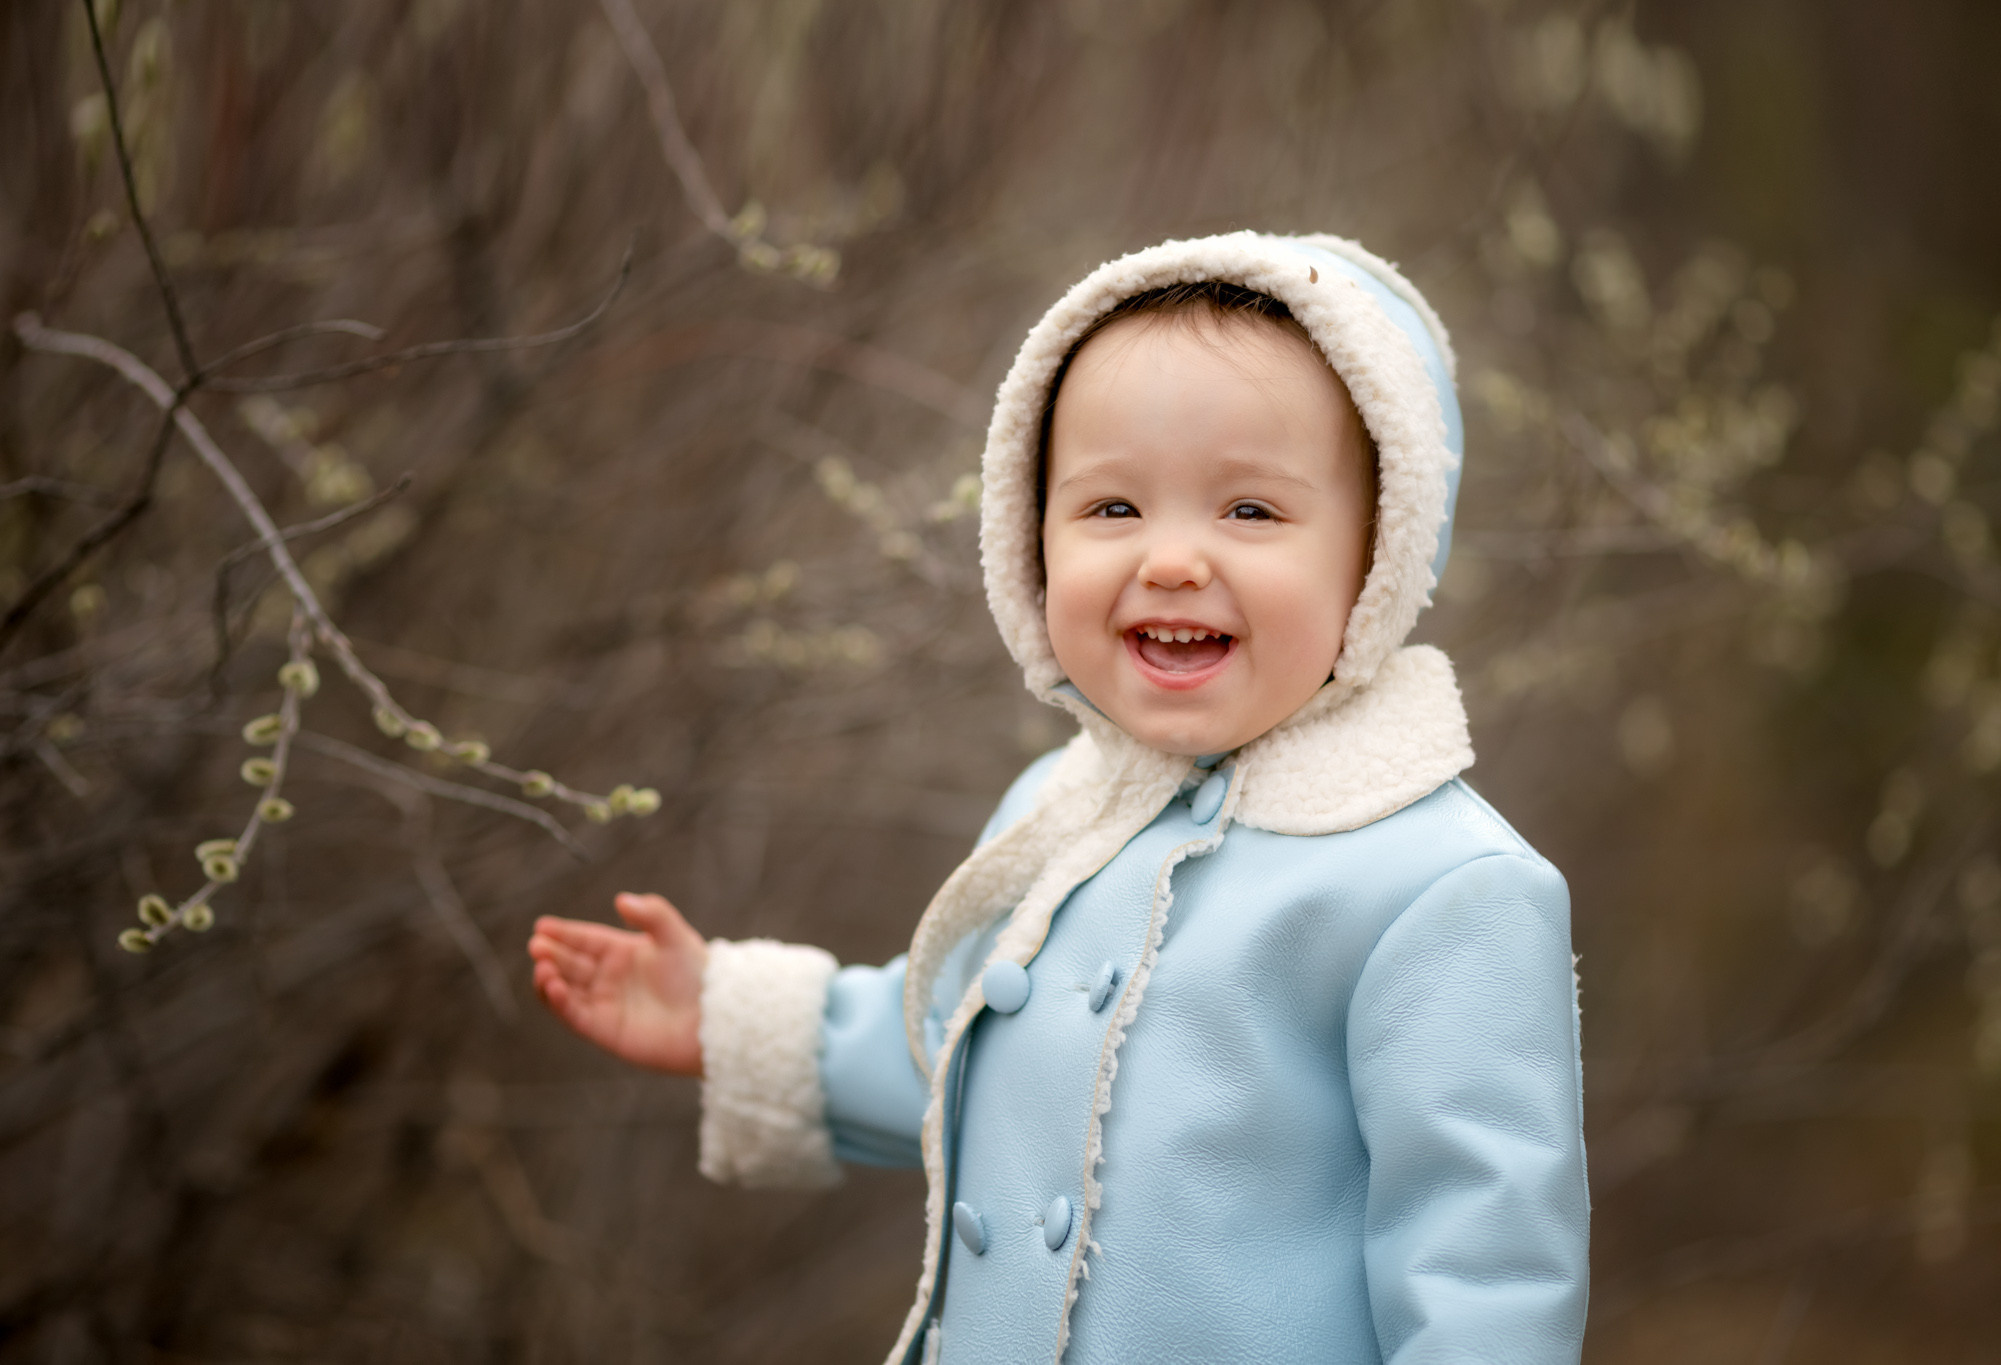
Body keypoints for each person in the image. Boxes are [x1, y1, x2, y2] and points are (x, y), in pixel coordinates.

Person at [529, 232, 1590, 1364]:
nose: (1171, 560)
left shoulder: (1438, 887)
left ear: (1380, 558)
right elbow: (970, 1070)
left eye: (1249, 512)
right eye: (1112, 509)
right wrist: (729, 1019)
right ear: (1026, 541)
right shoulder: (1065, 803)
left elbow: (1485, 1286)